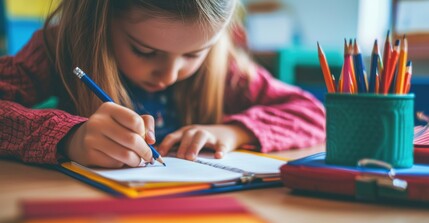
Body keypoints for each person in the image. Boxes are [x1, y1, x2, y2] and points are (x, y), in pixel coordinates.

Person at [0, 0, 325, 168]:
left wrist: (234, 131)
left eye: (194, 53)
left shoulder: (225, 68)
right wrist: (70, 137)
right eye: (145, 51)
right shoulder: (57, 51)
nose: (169, 74)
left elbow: (313, 113)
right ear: (100, 17)